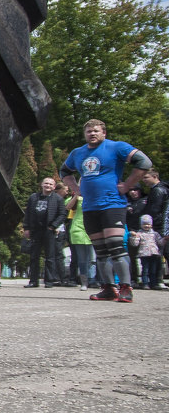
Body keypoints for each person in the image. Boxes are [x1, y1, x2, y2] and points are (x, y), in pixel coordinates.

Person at [61, 119, 152, 304]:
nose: (92, 134)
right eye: (88, 131)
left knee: (116, 246)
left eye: (95, 131)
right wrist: (76, 189)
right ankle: (108, 288)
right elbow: (64, 171)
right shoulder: (77, 153)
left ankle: (126, 287)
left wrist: (127, 184)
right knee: (101, 251)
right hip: (89, 207)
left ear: (104, 133)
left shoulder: (117, 147)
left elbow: (144, 161)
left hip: (112, 204)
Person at [21, 177, 67, 288]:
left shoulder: (58, 199)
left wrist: (54, 226)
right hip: (36, 230)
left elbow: (62, 214)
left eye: (51, 184)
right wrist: (26, 228)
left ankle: (49, 281)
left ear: (54, 187)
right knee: (34, 256)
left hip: (49, 230)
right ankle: (33, 281)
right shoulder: (34, 197)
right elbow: (27, 213)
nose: (48, 186)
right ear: (41, 185)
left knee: (50, 257)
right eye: (46, 183)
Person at [64, 188, 96, 291]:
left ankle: (92, 280)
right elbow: (68, 207)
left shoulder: (96, 196)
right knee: (82, 259)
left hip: (93, 229)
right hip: (78, 229)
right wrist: (76, 195)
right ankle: (84, 282)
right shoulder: (77, 198)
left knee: (93, 259)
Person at [130, 215, 161, 298]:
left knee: (153, 270)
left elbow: (160, 242)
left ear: (151, 225)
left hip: (154, 254)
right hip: (144, 254)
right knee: (145, 270)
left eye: (148, 224)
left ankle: (153, 284)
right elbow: (135, 244)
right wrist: (134, 237)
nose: (146, 226)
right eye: (144, 224)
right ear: (141, 225)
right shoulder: (139, 233)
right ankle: (145, 283)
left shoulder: (155, 234)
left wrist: (164, 240)